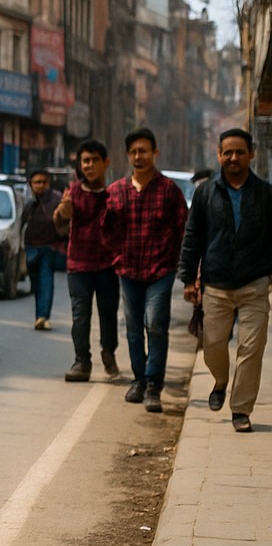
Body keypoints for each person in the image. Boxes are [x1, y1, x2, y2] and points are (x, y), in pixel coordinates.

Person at [179, 129, 272, 433]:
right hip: (216, 285)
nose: (234, 158)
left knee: (252, 347)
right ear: (219, 155)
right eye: (228, 152)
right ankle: (220, 380)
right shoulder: (206, 193)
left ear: (251, 154)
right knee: (213, 345)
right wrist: (189, 279)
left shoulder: (265, 193)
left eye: (240, 152)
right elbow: (192, 237)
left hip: (254, 284)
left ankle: (241, 409)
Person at [105, 128, 189, 412]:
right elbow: (106, 230)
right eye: (134, 152)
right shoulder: (116, 191)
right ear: (128, 156)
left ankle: (154, 385)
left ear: (155, 153)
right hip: (128, 270)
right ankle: (139, 380)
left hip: (160, 270)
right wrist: (116, 257)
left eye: (144, 151)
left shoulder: (169, 191)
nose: (139, 156)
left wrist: (180, 264)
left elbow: (183, 230)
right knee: (132, 329)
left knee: (155, 324)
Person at [54, 139, 120, 382]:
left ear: (106, 163)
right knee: (80, 315)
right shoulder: (72, 192)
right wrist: (63, 213)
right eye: (85, 161)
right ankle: (82, 361)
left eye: (94, 160)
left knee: (108, 313)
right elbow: (59, 225)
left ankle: (108, 351)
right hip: (78, 265)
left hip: (108, 265)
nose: (89, 165)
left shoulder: (114, 194)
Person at [22, 169, 67, 331]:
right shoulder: (27, 200)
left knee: (46, 281)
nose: (40, 185)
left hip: (49, 247)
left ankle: (43, 316)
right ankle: (39, 314)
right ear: (31, 184)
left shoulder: (56, 200)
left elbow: (65, 222)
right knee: (36, 282)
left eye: (43, 182)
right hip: (30, 247)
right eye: (37, 182)